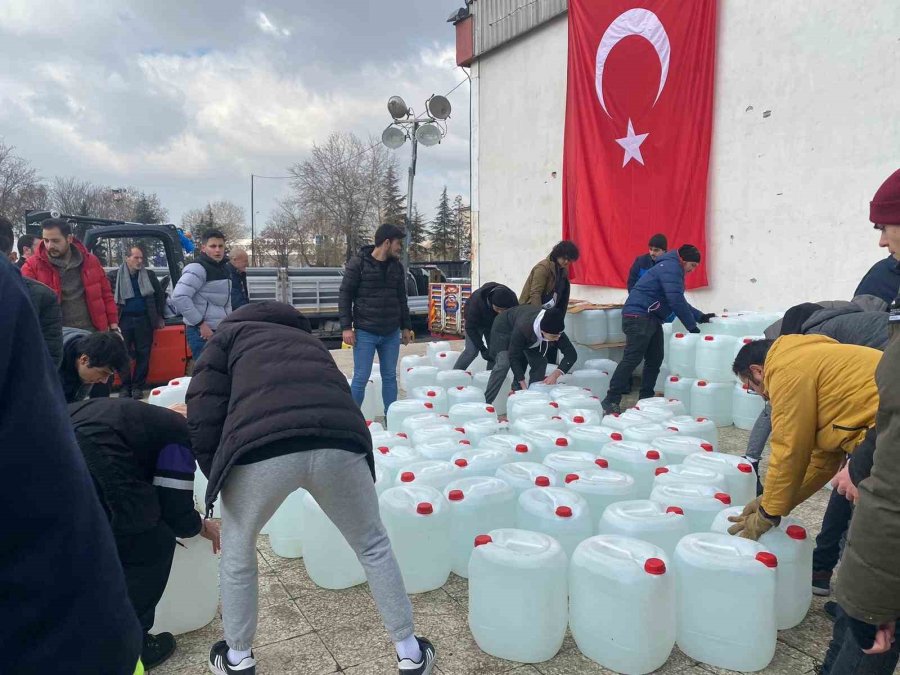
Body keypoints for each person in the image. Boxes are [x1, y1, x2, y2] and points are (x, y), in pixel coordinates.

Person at [185, 301, 435, 675]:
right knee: (373, 544)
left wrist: (219, 475)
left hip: (261, 448)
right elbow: (337, 395)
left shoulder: (226, 339)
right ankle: (410, 653)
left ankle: (237, 658)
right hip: (339, 441)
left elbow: (202, 411)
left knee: (238, 548)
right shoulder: (308, 341)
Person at [1, 257, 144, 674]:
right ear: (82, 361)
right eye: (101, 375)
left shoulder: (83, 364)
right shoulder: (45, 368)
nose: (103, 383)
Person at [69, 398, 220, 670]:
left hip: (57, 447)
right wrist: (200, 526)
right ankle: (132, 644)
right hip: (94, 454)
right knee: (151, 543)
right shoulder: (179, 435)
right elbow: (175, 509)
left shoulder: (147, 416)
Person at [726, 335, 879, 544]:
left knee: (873, 537)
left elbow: (788, 451)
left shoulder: (785, 372)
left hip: (887, 434)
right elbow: (821, 462)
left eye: (752, 388)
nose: (762, 395)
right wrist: (769, 500)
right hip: (883, 429)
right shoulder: (805, 358)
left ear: (757, 371)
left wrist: (766, 515)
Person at [601, 244, 714, 414]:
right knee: (632, 358)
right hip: (639, 316)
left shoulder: (671, 267)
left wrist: (700, 316)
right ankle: (610, 400)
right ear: (683, 260)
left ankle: (646, 399)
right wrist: (692, 327)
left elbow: (677, 299)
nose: (692, 270)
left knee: (655, 358)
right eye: (692, 265)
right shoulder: (671, 267)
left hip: (650, 317)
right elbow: (675, 301)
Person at [339, 223, 412, 413]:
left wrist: (406, 327)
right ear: (387, 243)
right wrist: (346, 327)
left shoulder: (397, 267)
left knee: (390, 377)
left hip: (391, 332)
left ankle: (391, 417)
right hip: (365, 332)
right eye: (398, 243)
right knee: (361, 377)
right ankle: (352, 419)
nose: (400, 248)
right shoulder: (358, 264)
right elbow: (345, 295)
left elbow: (401, 298)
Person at [22, 217, 119, 334]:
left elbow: (106, 294)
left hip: (93, 333)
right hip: (57, 336)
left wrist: (114, 327)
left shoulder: (90, 261)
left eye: (55, 241)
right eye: (46, 240)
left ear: (69, 239)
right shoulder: (32, 266)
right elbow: (25, 305)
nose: (49, 246)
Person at [0, 217, 62, 366]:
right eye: (44, 242)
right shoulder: (41, 294)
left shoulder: (42, 297)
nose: (48, 247)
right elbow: (49, 361)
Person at [484, 305, 577, 403]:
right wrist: (522, 384)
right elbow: (514, 356)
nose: (557, 338)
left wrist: (555, 374)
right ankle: (487, 401)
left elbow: (571, 354)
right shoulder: (523, 328)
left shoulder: (554, 327)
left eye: (559, 335)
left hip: (528, 332)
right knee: (504, 363)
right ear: (543, 331)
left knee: (540, 362)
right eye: (554, 336)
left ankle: (532, 399)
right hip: (505, 328)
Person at [111, 246, 167, 400]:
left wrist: (159, 316)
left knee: (144, 353)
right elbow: (109, 298)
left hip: (144, 319)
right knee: (122, 354)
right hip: (123, 320)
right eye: (136, 257)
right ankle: (125, 386)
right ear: (127, 258)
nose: (140, 261)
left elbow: (159, 296)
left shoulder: (149, 275)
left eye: (141, 258)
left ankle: (138, 386)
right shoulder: (114, 276)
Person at [172, 229, 232, 361]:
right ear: (204, 248)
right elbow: (179, 296)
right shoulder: (197, 268)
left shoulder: (224, 269)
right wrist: (201, 324)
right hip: (202, 333)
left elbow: (224, 303)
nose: (217, 250)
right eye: (213, 246)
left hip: (219, 330)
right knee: (206, 370)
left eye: (220, 246)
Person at [453, 282, 518, 371]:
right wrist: (482, 348)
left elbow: (516, 319)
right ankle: (455, 373)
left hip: (494, 324)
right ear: (491, 302)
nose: (500, 312)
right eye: (498, 309)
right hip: (475, 323)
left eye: (504, 310)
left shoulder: (512, 300)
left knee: (494, 351)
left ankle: (488, 376)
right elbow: (470, 328)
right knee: (471, 351)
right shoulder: (476, 303)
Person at [59, 328, 129, 402]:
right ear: (84, 359)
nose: (104, 381)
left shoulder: (94, 348)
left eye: (109, 375)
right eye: (103, 373)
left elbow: (77, 399)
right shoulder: (52, 359)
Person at [520, 240, 579, 310]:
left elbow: (563, 295)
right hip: (530, 309)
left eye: (569, 260)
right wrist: (539, 314)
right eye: (564, 258)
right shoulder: (543, 268)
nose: (566, 262)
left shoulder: (563, 270)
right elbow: (535, 294)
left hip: (549, 309)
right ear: (558, 254)